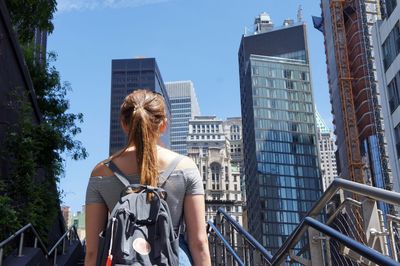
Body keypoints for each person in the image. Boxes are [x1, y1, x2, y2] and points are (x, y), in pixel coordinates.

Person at [84, 89, 211, 266]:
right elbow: (198, 243)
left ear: (124, 124)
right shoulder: (186, 167)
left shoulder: (101, 172)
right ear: (163, 124)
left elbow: (92, 250)